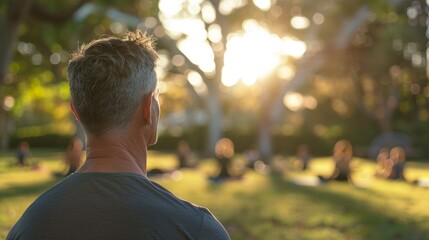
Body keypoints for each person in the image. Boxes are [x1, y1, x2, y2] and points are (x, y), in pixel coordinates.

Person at [7, 30, 230, 240]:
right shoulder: (197, 230)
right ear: (147, 108)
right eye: (157, 97)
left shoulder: (29, 225)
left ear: (75, 111)